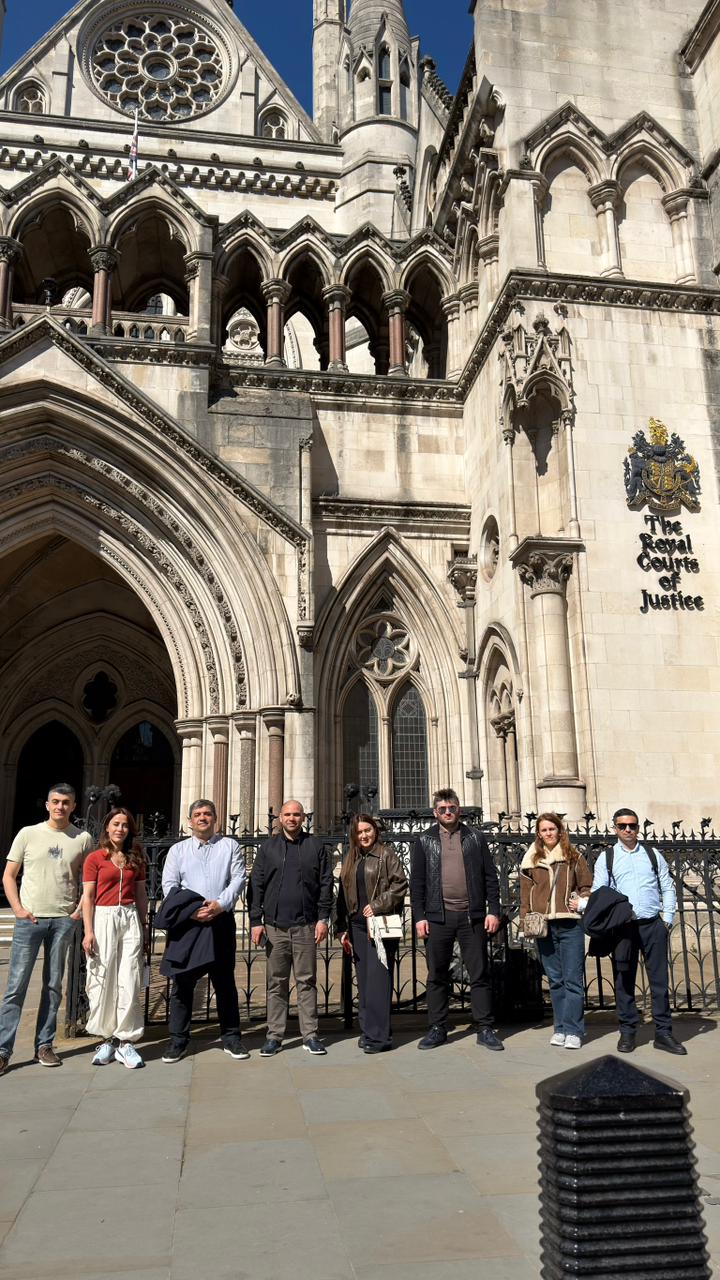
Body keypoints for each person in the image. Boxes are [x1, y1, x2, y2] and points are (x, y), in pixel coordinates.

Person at [0, 783, 93, 1072]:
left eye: (66, 802)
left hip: (63, 920)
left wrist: (77, 911)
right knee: (16, 986)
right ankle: (3, 1050)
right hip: (30, 919)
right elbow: (9, 875)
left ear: (73, 806)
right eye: (56, 801)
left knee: (53, 986)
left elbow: (89, 880)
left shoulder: (82, 838)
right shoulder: (28, 833)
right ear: (47, 804)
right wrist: (18, 909)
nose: (60, 806)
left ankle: (44, 1045)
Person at [410, 788, 504, 1051]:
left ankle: (485, 1028)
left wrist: (493, 910)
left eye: (452, 808)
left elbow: (490, 877)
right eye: (442, 809)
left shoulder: (475, 837)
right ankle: (437, 1028)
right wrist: (419, 917)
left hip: (472, 916)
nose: (448, 812)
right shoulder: (424, 840)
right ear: (435, 813)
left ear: (459, 810)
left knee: (479, 974)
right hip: (438, 917)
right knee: (437, 975)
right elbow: (417, 883)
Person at [591, 807, 685, 1055]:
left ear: (638, 827)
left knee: (660, 982)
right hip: (623, 928)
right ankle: (628, 1031)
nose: (628, 830)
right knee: (624, 980)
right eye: (622, 826)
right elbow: (599, 893)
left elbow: (667, 886)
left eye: (632, 825)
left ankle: (663, 1033)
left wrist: (667, 920)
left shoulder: (652, 855)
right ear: (615, 828)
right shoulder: (607, 858)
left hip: (653, 925)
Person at [160, 799, 248, 1063]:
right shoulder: (178, 850)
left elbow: (238, 878)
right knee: (182, 984)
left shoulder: (229, 846)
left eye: (207, 814)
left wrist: (220, 905)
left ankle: (231, 1038)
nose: (202, 818)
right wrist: (192, 910)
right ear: (190, 821)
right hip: (189, 924)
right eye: (197, 814)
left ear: (215, 819)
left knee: (224, 983)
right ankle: (178, 1040)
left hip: (220, 921)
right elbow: (170, 885)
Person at [249, 799, 332, 1057]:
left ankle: (310, 1035)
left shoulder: (315, 846)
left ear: (303, 818)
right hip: (275, 927)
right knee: (276, 983)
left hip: (306, 926)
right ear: (280, 818)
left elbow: (326, 883)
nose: (292, 819)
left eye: (296, 814)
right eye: (287, 814)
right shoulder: (268, 848)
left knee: (306, 981)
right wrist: (255, 921)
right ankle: (274, 1036)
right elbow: (256, 884)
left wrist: (323, 918)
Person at [519, 813, 593, 1050]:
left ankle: (574, 1031)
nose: (549, 833)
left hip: (569, 924)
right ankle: (560, 1028)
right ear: (538, 834)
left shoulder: (574, 856)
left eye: (552, 829)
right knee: (555, 980)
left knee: (573, 980)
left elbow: (586, 885)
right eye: (544, 830)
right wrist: (525, 921)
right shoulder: (530, 859)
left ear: (560, 831)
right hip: (543, 926)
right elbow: (525, 895)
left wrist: (580, 901)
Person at [81, 807, 148, 1069]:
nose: (120, 829)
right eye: (116, 824)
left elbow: (141, 894)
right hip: (104, 916)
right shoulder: (95, 858)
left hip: (129, 916)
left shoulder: (136, 856)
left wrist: (143, 925)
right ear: (107, 827)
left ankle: (125, 1039)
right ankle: (107, 1038)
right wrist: (89, 931)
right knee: (102, 975)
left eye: (125, 825)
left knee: (129, 977)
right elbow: (88, 897)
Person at [336, 814, 408, 1054]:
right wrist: (341, 927)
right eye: (359, 832)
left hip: (380, 924)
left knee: (379, 982)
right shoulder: (351, 858)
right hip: (357, 927)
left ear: (375, 831)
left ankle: (380, 1038)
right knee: (365, 982)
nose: (364, 835)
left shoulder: (386, 854)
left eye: (368, 830)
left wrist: (377, 905)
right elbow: (342, 895)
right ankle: (368, 1031)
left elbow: (400, 884)